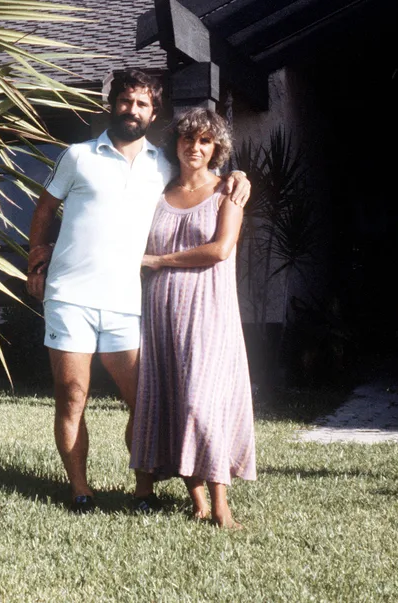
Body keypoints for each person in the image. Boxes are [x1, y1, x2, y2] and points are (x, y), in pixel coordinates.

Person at [26, 69, 250, 513]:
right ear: (113, 103)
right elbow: (45, 207)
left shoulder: (161, 166)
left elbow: (204, 173)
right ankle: (81, 490)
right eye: (126, 101)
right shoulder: (78, 156)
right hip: (70, 295)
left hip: (128, 299)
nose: (132, 110)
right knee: (72, 395)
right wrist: (36, 258)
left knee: (144, 402)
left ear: (153, 112)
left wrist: (238, 174)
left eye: (142, 104)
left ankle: (143, 485)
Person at [130, 108, 256, 529]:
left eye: (205, 141)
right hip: (162, 312)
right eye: (188, 139)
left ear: (217, 148)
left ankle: (222, 506)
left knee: (202, 404)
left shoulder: (228, 192)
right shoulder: (158, 194)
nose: (195, 148)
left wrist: (159, 259)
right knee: (171, 397)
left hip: (209, 313)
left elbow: (220, 249)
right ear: (177, 144)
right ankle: (197, 499)